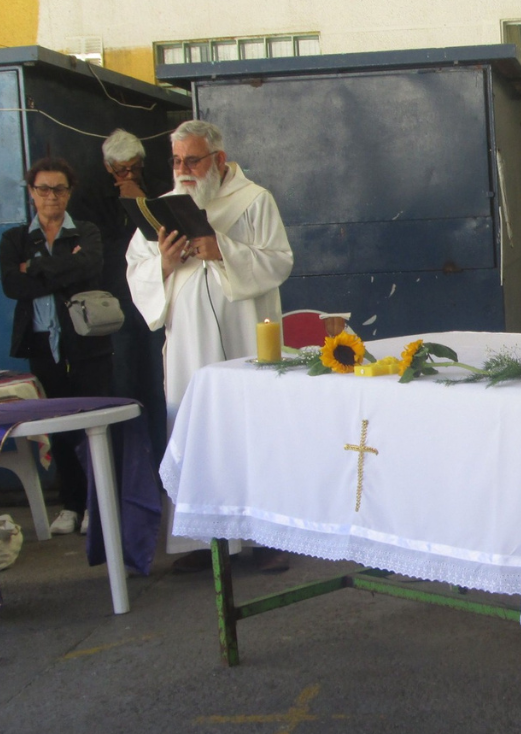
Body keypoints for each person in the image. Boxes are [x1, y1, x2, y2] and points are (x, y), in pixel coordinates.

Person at [126, 120, 294, 574]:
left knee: (250, 432)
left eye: (192, 160)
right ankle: (203, 544)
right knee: (196, 432)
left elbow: (279, 261)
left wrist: (221, 250)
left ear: (218, 160)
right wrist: (163, 261)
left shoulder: (254, 200)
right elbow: (135, 270)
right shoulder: (158, 209)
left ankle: (266, 539)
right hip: (188, 345)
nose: (183, 170)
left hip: (244, 336)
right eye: (177, 161)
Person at [0, 158, 113, 535]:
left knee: (94, 426)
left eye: (59, 189)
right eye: (43, 189)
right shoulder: (14, 239)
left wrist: (34, 268)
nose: (52, 196)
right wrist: (64, 267)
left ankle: (99, 504)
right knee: (58, 426)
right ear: (32, 193)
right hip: (42, 346)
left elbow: (91, 269)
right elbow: (13, 287)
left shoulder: (87, 232)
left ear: (69, 192)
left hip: (87, 345)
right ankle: (71, 505)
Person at [86, 129, 169, 453]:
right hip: (116, 298)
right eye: (122, 170)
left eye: (134, 167)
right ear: (109, 168)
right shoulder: (93, 197)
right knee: (124, 381)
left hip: (155, 295)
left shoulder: (158, 190)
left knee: (159, 378)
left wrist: (139, 202)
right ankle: (129, 462)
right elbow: (105, 251)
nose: (129, 174)